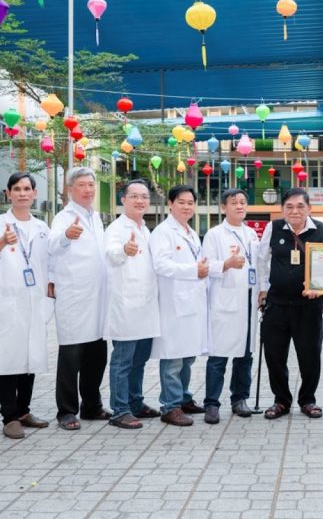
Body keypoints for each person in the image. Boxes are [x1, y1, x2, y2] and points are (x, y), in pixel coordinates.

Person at [0, 172, 52, 439]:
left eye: (27, 189)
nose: (22, 193)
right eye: (17, 189)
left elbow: (48, 262)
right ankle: (9, 417)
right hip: (6, 302)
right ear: (8, 193)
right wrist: (0, 243)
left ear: (34, 194)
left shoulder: (42, 227)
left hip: (33, 300)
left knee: (30, 357)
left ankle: (23, 411)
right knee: (8, 358)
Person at [256, 188, 323, 420]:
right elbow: (261, 260)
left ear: (309, 208)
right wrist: (263, 290)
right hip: (276, 304)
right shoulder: (273, 228)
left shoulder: (322, 230)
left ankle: (308, 400)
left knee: (310, 355)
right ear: (282, 209)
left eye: (300, 206)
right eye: (289, 207)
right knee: (274, 356)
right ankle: (281, 401)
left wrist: (321, 289)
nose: (294, 211)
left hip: (309, 306)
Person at [48, 167, 111, 430]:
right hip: (75, 296)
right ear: (70, 189)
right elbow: (52, 245)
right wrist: (66, 236)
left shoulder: (95, 217)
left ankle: (92, 406)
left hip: (98, 296)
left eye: (91, 185)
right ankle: (66, 411)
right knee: (71, 357)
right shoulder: (64, 217)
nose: (88, 190)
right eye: (82, 185)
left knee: (96, 356)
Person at [103, 179, 162, 430]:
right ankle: (120, 410)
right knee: (123, 361)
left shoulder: (146, 230)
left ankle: (135, 402)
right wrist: (124, 250)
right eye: (134, 196)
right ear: (123, 200)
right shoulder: (117, 229)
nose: (140, 201)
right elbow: (111, 254)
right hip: (126, 306)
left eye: (144, 197)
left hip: (146, 306)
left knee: (140, 360)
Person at [150, 185, 209, 426]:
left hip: (191, 302)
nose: (186, 207)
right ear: (170, 204)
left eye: (190, 203)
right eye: (181, 202)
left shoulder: (191, 232)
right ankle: (170, 406)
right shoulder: (163, 232)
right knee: (173, 357)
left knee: (187, 356)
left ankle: (184, 398)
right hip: (173, 304)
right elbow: (161, 265)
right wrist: (193, 270)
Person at [201, 188, 260, 424]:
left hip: (248, 301)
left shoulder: (251, 234)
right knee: (219, 357)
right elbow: (206, 266)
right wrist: (226, 264)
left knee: (245, 355)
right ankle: (211, 403)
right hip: (225, 302)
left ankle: (240, 399)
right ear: (224, 207)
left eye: (243, 202)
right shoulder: (214, 234)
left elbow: (258, 267)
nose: (239, 206)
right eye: (234, 202)